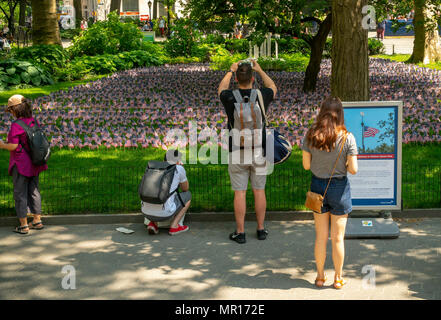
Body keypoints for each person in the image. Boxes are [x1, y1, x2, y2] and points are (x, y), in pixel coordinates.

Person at [301, 96, 358, 289]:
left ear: (322, 112)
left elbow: (306, 166)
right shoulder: (348, 137)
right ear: (340, 114)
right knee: (338, 238)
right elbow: (354, 170)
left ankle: (319, 277)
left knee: (320, 236)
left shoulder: (311, 135)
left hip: (318, 187)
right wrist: (347, 161)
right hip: (340, 189)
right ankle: (338, 278)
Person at [218, 59, 277, 244]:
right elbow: (272, 86)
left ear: (236, 78)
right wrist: (259, 69)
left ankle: (241, 232)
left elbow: (220, 89)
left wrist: (230, 70)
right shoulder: (261, 95)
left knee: (240, 192)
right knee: (259, 190)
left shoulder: (229, 97)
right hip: (259, 150)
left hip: (237, 150)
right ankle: (260, 229)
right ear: (252, 78)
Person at [0, 95, 48, 234]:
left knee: (20, 193)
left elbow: (14, 146)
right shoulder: (33, 121)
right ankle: (37, 220)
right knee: (34, 191)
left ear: (16, 110)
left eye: (11, 110)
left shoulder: (16, 125)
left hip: (21, 164)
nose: (11, 113)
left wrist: (2, 145)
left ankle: (23, 225)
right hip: (35, 161)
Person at [142, 149, 191, 236]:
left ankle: (153, 224)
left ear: (164, 160)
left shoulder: (153, 168)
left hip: (145, 211)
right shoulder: (178, 168)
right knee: (188, 195)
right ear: (178, 161)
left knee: (154, 192)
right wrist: (180, 170)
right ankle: (174, 226)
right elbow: (185, 189)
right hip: (165, 212)